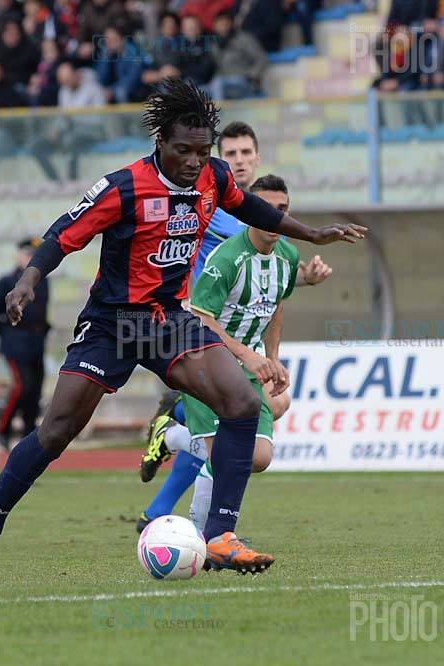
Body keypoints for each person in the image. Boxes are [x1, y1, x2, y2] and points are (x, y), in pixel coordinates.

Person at [0, 78, 366, 586]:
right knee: (57, 432)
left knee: (241, 402)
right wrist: (28, 280)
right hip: (113, 324)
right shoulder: (123, 186)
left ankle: (220, 535)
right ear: (161, 144)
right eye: (184, 151)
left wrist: (312, 232)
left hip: (169, 320)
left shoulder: (212, 177)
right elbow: (63, 234)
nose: (195, 161)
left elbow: (252, 208)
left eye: (203, 151)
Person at [136, 122, 331, 530]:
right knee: (227, 442)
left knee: (266, 415)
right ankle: (204, 530)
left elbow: (274, 287)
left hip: (237, 337)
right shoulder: (204, 204)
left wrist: (305, 279)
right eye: (231, 154)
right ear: (216, 160)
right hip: (195, 330)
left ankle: (170, 444)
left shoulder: (269, 222)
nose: (239, 161)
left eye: (246, 153)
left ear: (257, 157)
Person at [183, 175, 303, 533]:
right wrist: (246, 355)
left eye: (281, 210)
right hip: (206, 361)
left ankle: (175, 438)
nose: (275, 217)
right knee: (225, 456)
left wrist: (273, 355)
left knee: (259, 457)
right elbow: (199, 315)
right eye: (266, 209)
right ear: (250, 212)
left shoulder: (289, 256)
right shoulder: (228, 258)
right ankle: (206, 537)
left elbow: (277, 305)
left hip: (248, 368)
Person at [0, 237, 51, 450]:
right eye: (27, 254)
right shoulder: (6, 282)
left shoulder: (43, 281)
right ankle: (3, 429)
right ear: (19, 255)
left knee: (35, 391)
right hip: (15, 341)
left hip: (36, 342)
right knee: (21, 386)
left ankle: (28, 438)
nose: (29, 259)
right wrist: (8, 334)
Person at [30, 62, 107, 182]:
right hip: (67, 132)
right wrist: (56, 129)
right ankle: (56, 180)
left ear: (75, 74)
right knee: (36, 145)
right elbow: (63, 116)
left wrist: (72, 121)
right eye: (62, 80)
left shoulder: (94, 89)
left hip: (92, 133)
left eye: (68, 78)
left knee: (69, 140)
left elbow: (100, 119)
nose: (66, 83)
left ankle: (73, 180)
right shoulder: (64, 91)